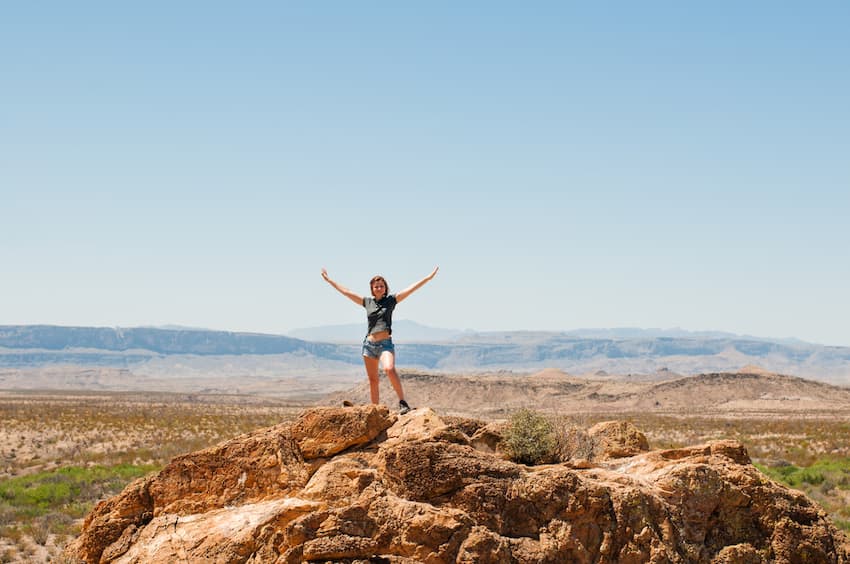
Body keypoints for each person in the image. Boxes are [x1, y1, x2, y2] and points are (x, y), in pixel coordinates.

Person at [321, 266, 439, 414]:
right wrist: (330, 280)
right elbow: (347, 292)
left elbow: (410, 289)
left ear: (385, 288)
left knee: (389, 369)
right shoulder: (367, 302)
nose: (379, 288)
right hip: (369, 345)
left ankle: (403, 403)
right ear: (372, 288)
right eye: (376, 286)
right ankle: (375, 409)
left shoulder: (391, 301)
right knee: (373, 380)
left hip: (385, 344)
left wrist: (428, 278)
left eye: (381, 286)